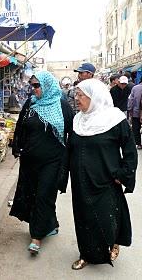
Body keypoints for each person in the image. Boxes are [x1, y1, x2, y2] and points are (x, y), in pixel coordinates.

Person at [64, 79, 137, 270]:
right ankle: (86, 254)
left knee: (107, 216)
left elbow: (130, 150)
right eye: (76, 95)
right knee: (83, 217)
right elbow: (70, 148)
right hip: (81, 180)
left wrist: (123, 173)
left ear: (94, 97)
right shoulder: (78, 119)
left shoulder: (114, 119)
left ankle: (113, 242)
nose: (77, 99)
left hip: (106, 179)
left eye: (81, 95)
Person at [10, 71, 74, 255]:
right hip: (30, 161)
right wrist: (17, 146)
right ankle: (51, 224)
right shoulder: (31, 104)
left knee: (43, 195)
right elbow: (21, 126)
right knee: (32, 193)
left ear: (47, 85)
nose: (34, 89)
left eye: (37, 86)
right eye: (32, 85)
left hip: (53, 162)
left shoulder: (62, 106)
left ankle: (36, 237)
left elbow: (73, 132)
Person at [127, 80, 142, 149]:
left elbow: (131, 100)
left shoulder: (135, 88)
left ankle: (138, 144)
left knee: (136, 128)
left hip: (136, 113)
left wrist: (130, 110)